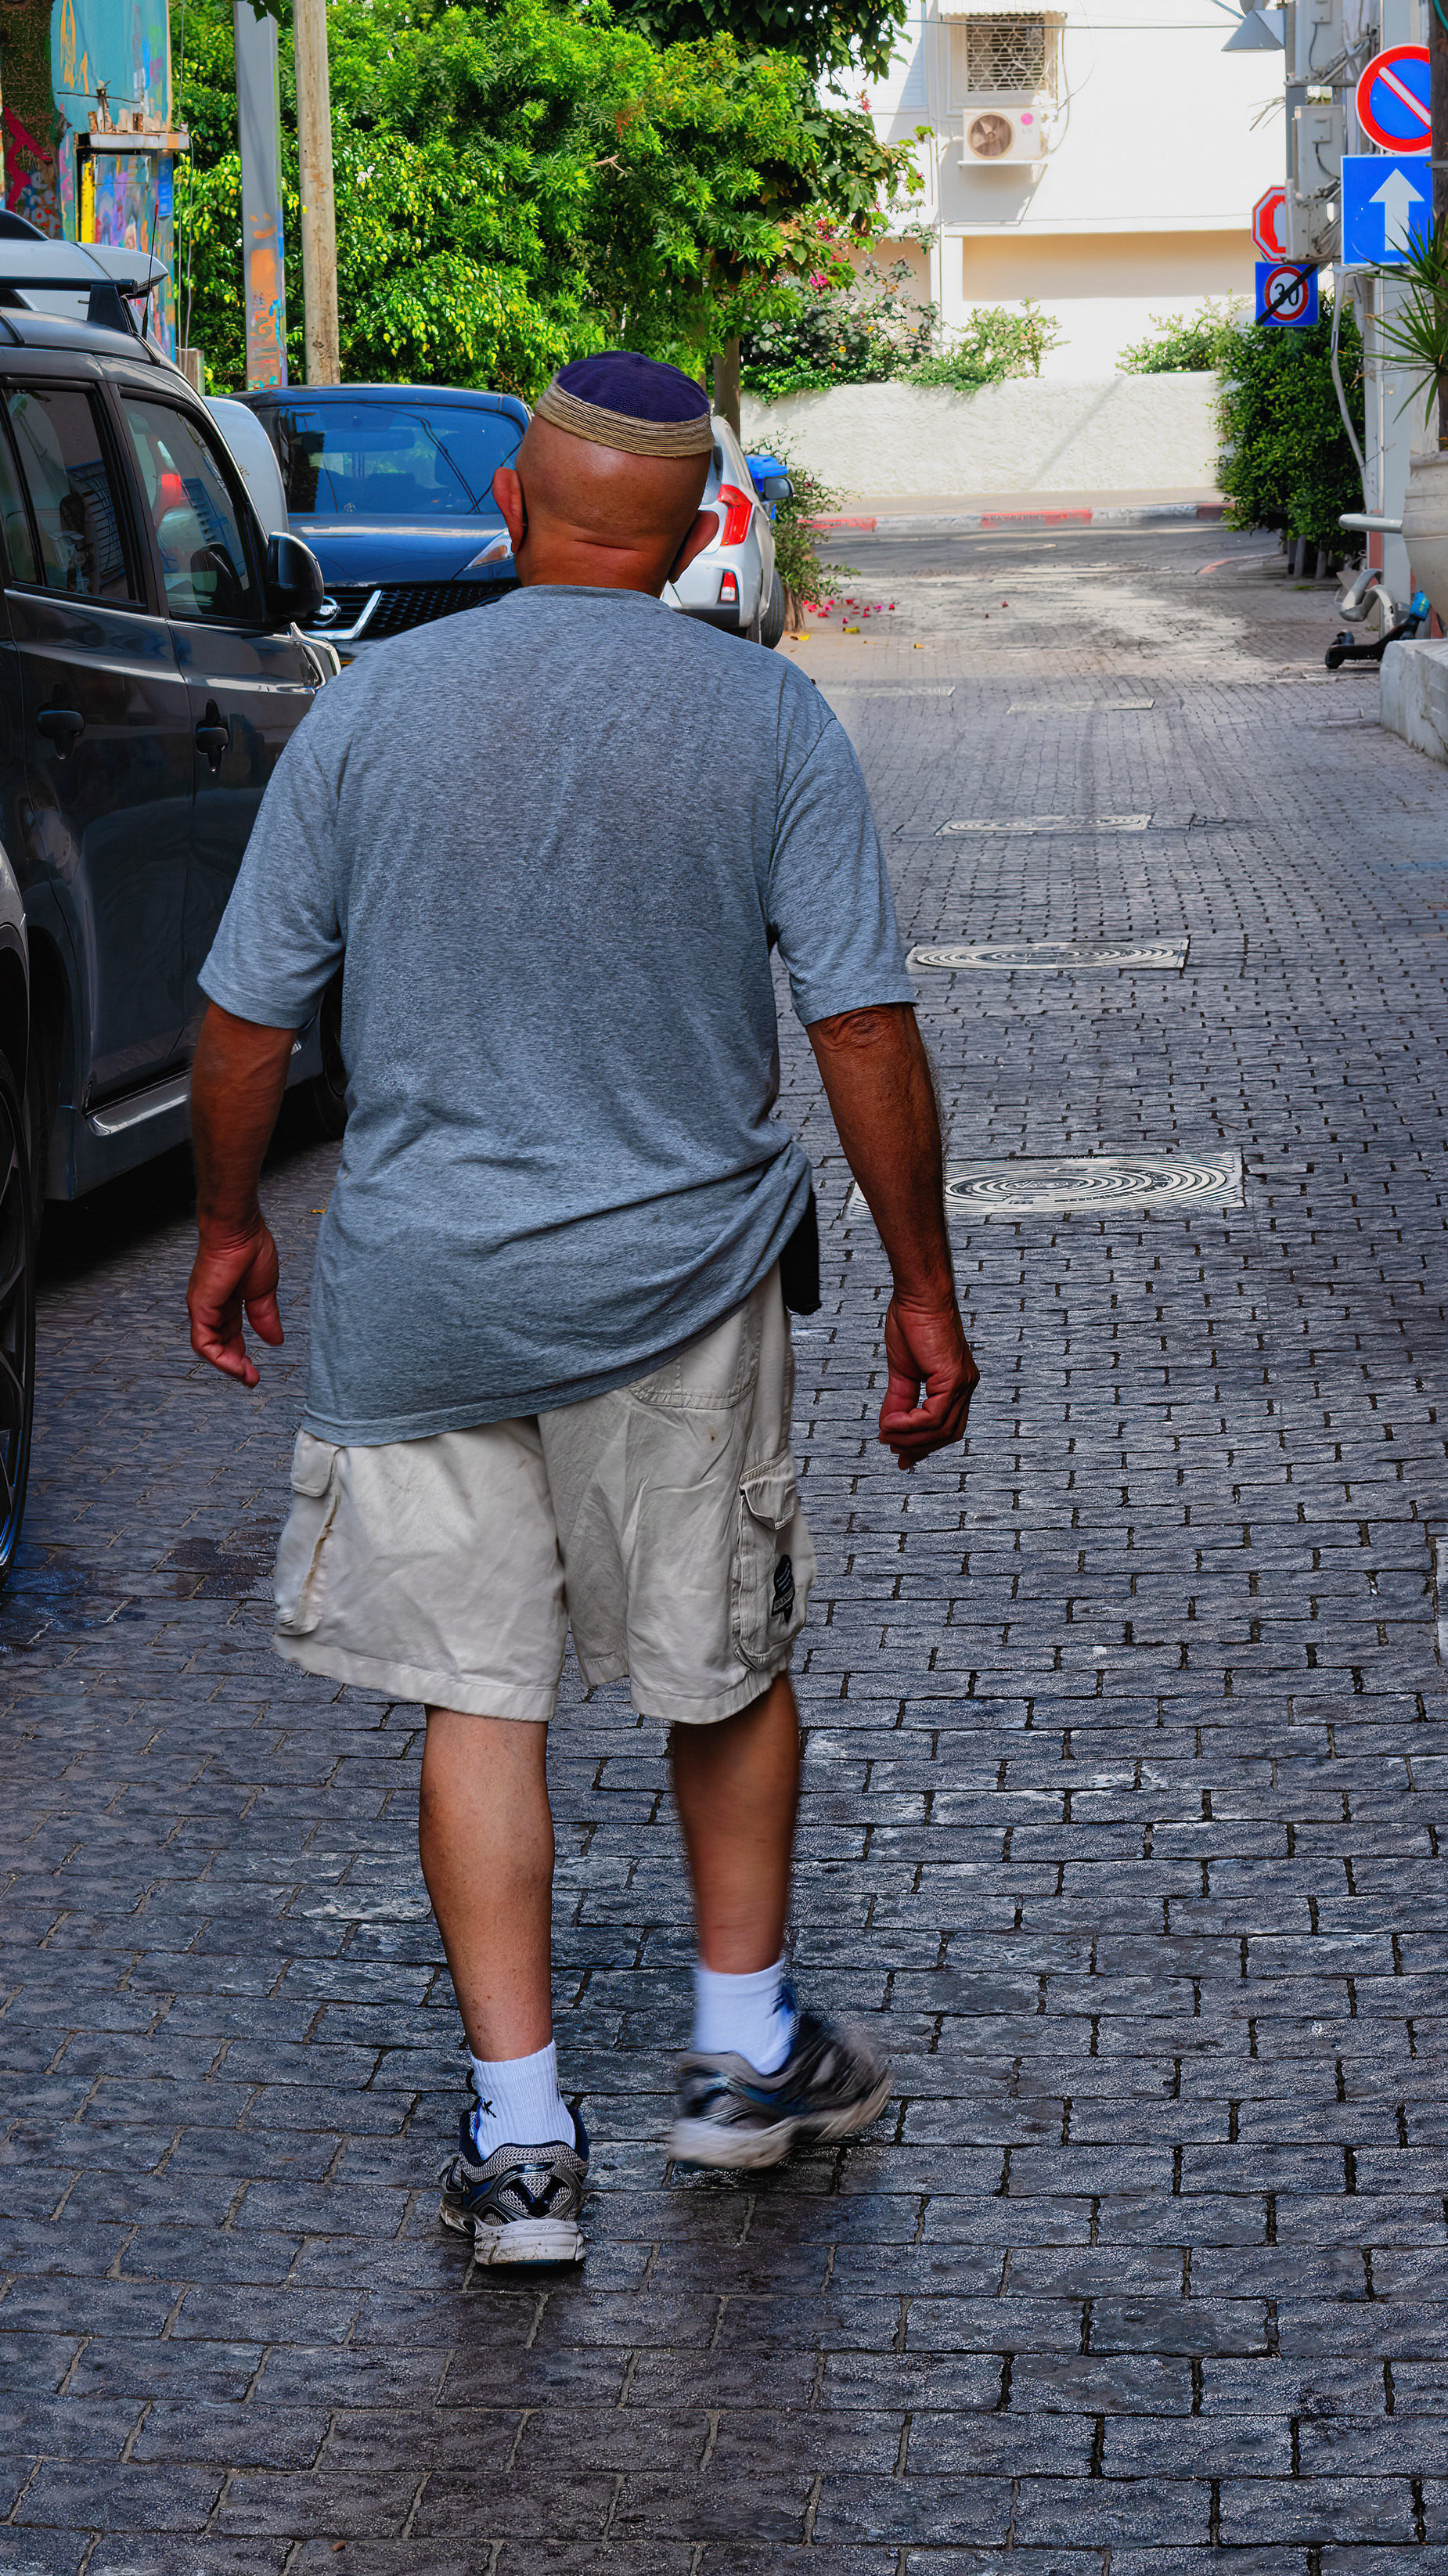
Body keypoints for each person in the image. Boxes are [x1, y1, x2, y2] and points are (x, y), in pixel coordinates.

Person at [186, 348, 975, 2272]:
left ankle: (526, 2147)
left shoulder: (372, 714)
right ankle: (734, 2057)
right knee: (722, 1665)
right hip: (682, 1287)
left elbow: (244, 1014)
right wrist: (924, 1285)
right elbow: (859, 1023)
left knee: (483, 1698)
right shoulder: (768, 718)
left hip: (423, 1291)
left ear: (512, 517)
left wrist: (226, 1223)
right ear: (710, 526)